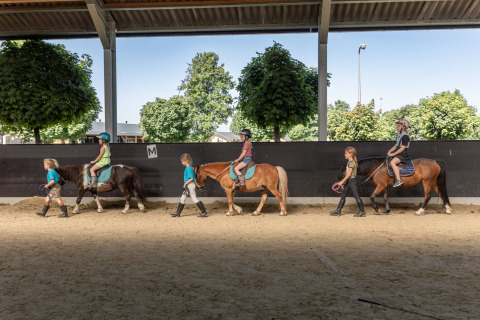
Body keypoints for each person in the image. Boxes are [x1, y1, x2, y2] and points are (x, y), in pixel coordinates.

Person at [330, 147, 366, 217]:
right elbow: (348, 175)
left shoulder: (351, 163)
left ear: (350, 154)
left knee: (356, 196)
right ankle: (338, 210)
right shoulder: (350, 162)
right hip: (349, 181)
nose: (344, 155)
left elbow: (349, 174)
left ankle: (362, 212)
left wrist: (341, 182)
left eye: (346, 153)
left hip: (352, 181)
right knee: (343, 194)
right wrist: (344, 183)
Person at [170, 153, 208, 218]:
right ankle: (177, 213)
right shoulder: (189, 168)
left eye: (182, 161)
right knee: (182, 198)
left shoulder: (188, 168)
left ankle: (204, 212)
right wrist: (196, 184)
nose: (181, 162)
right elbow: (194, 178)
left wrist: (185, 184)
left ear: (186, 161)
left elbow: (191, 178)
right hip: (190, 185)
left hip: (189, 185)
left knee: (194, 198)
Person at [387, 118, 411, 187]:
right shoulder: (399, 135)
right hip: (399, 153)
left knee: (392, 162)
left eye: (399, 126)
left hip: (403, 155)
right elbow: (396, 145)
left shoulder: (405, 136)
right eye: (397, 126)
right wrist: (390, 151)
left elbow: (403, 148)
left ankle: (399, 180)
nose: (397, 127)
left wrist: (393, 154)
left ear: (403, 127)